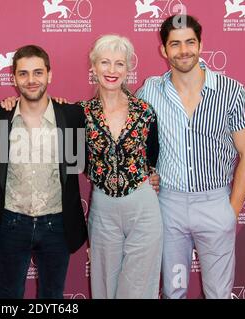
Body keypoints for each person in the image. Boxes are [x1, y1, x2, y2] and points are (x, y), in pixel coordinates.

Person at [136, 14, 245, 299]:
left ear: (201, 44)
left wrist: (232, 210)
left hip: (216, 204)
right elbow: (122, 125)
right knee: (173, 290)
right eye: (175, 44)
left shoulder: (231, 91)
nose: (184, 50)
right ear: (164, 50)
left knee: (218, 292)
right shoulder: (150, 90)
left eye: (190, 42)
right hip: (169, 207)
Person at [0, 45, 88, 299]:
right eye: (23, 74)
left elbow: (85, 162)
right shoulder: (0, 117)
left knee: (53, 295)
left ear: (49, 75)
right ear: (13, 79)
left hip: (57, 223)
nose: (31, 80)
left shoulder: (72, 115)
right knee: (9, 295)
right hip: (11, 222)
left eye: (37, 72)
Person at [80, 35, 162, 299]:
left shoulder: (145, 112)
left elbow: (152, 157)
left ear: (128, 69)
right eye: (105, 62)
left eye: (119, 64)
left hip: (143, 207)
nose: (112, 71)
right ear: (93, 67)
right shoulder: (79, 113)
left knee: (140, 287)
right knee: (104, 286)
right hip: (103, 208)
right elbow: (78, 161)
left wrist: (153, 175)